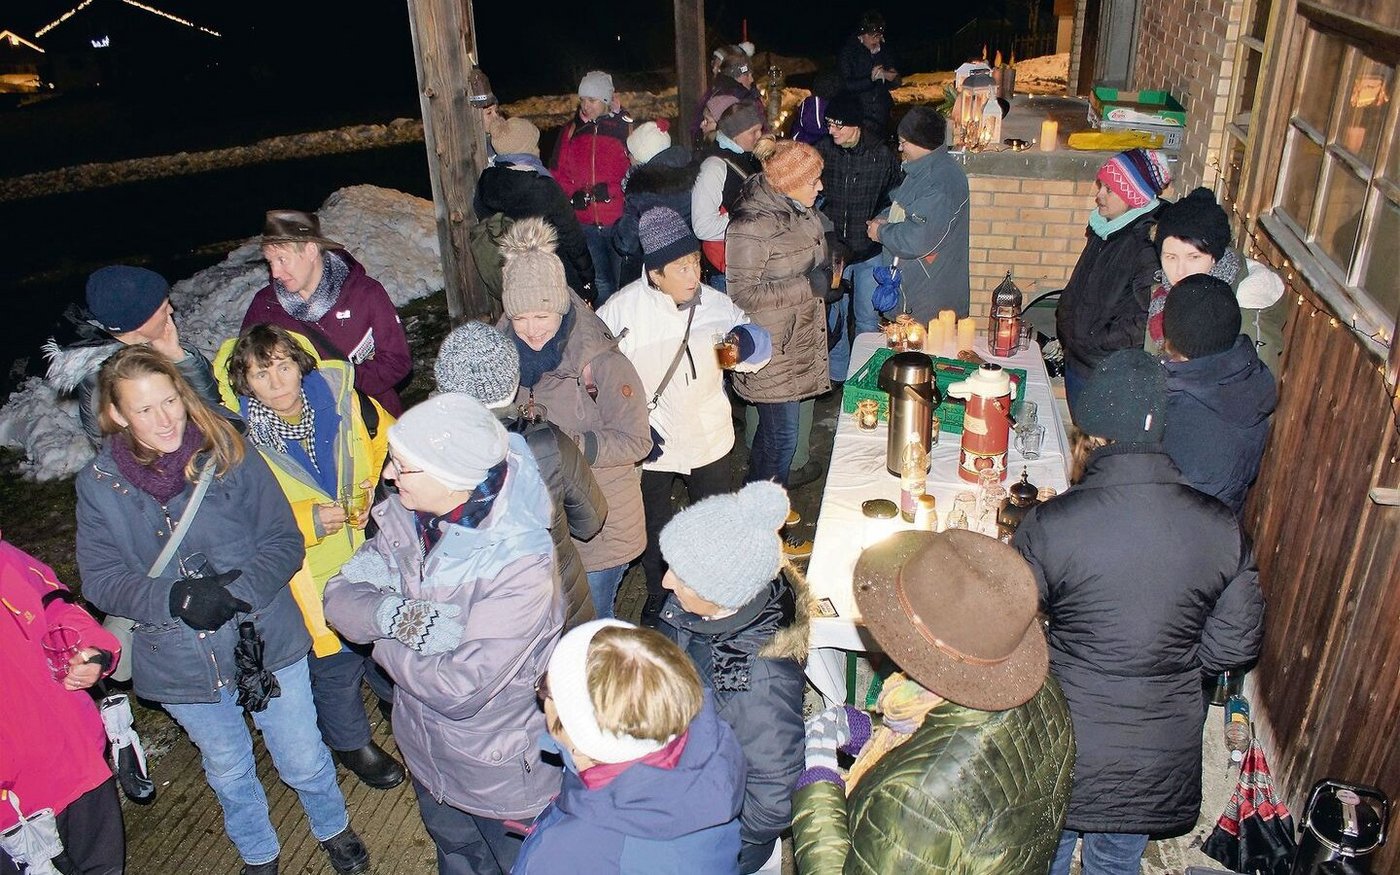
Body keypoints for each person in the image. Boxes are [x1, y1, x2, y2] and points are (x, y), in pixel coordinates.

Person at [74, 345, 369, 875]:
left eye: (170, 401)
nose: (165, 420)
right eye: (145, 409)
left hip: (265, 637)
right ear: (116, 414)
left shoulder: (230, 449)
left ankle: (332, 825)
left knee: (303, 755)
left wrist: (239, 594)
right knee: (229, 768)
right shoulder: (100, 485)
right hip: (180, 656)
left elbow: (283, 540)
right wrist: (175, 598)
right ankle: (258, 852)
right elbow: (101, 579)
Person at [1013, 349, 1266, 875]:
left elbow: (1011, 622)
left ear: (1092, 429)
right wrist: (1173, 661)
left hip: (1065, 739)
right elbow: (1236, 645)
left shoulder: (1051, 523)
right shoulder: (1220, 525)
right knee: (1116, 860)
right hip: (1157, 749)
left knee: (1045, 852)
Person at [323, 392, 564, 875]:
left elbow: (457, 689)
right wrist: (397, 616)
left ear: (453, 476)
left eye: (403, 466)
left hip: (501, 776)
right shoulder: (408, 520)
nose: (388, 474)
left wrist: (380, 636)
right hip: (428, 756)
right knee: (457, 859)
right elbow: (339, 595)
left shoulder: (520, 567)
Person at [790, 529, 1075, 873]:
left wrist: (819, 778)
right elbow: (968, 737)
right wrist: (871, 727)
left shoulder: (914, 798)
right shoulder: (1042, 690)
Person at [213, 325, 406, 791]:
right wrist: (308, 521)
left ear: (300, 365)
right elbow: (236, 522)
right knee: (335, 666)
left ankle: (394, 703)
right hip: (304, 575)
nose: (277, 382)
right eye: (261, 374)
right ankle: (350, 742)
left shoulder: (343, 401)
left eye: (283, 367)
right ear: (244, 382)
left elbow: (387, 439)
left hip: (366, 554)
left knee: (383, 640)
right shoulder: (235, 440)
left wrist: (371, 485)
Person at [597, 207, 772, 621]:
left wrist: (749, 343)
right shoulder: (620, 313)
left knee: (711, 521)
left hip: (709, 439)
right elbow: (595, 383)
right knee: (654, 526)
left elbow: (748, 356)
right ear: (655, 273)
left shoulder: (715, 306)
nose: (694, 275)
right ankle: (661, 596)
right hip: (651, 445)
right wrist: (632, 425)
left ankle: (711, 592)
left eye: (695, 262)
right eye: (682, 268)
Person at [497, 218, 652, 618]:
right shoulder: (498, 360)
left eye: (542, 316)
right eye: (520, 318)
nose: (532, 330)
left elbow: (638, 441)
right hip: (539, 523)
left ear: (561, 306)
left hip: (601, 526)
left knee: (590, 625)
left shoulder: (600, 361)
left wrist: (568, 446)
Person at [655, 482, 808, 873]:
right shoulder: (702, 603)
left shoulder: (757, 683)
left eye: (682, 577)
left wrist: (714, 840)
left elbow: (774, 800)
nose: (666, 582)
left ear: (722, 593)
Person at [512, 620, 748, 874]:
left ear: (578, 736)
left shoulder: (566, 854)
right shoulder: (707, 745)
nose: (541, 693)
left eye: (546, 689)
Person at [433, 320, 604, 631]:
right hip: (553, 604)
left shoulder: (416, 453)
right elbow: (591, 519)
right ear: (513, 383)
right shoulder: (545, 443)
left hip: (465, 618)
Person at [0, 538, 125, 875]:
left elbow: (56, 606)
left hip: (76, 759)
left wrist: (92, 650)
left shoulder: (5, 555)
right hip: (14, 808)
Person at [727, 139, 833, 497]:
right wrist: (808, 286)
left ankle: (752, 504)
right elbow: (743, 293)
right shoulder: (751, 224)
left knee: (774, 438)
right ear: (789, 183)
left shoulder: (797, 208)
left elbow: (805, 254)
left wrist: (829, 262)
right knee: (782, 439)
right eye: (813, 181)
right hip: (771, 348)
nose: (820, 187)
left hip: (796, 339)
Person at [242, 209, 412, 416]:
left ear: (311, 250)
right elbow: (244, 368)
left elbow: (397, 362)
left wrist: (340, 380)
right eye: (270, 262)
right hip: (306, 425)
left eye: (282, 259)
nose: (275, 272)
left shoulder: (366, 294)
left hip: (373, 419)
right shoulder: (265, 307)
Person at [44, 264, 220, 446]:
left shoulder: (160, 345)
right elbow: (119, 449)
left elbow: (213, 407)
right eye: (163, 308)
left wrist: (178, 357)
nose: (171, 311)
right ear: (139, 322)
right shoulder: (108, 379)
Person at [1055, 149, 1172, 411]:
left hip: (1108, 372)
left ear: (1134, 195)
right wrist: (1068, 326)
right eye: (1101, 186)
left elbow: (1147, 320)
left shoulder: (1146, 246)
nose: (1099, 196)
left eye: (1109, 189)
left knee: (1094, 434)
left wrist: (1094, 339)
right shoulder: (1106, 227)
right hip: (1079, 358)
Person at [1161, 275, 1278, 514]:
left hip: (1185, 526)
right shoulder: (1242, 376)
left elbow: (1170, 507)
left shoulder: (1190, 417)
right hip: (1218, 522)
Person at [1147, 186, 1287, 369]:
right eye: (1170, 257)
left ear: (1215, 256)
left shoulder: (1245, 307)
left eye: (1193, 257)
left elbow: (1252, 381)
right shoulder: (1163, 296)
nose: (1179, 271)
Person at [817, 92, 902, 381]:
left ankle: (865, 376)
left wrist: (884, 216)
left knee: (866, 319)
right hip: (834, 252)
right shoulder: (822, 151)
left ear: (855, 125)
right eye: (829, 124)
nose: (832, 131)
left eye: (838, 125)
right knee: (834, 319)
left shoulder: (881, 154)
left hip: (868, 251)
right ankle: (839, 376)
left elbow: (898, 195)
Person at [866, 106, 971, 324]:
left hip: (928, 305)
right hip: (915, 292)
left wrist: (881, 232)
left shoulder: (941, 181)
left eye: (903, 142)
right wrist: (885, 217)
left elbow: (918, 239)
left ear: (921, 143)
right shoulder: (921, 170)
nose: (899, 147)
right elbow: (904, 206)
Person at [477, 117, 596, 300]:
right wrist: (587, 276)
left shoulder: (487, 180)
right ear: (526, 147)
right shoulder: (544, 187)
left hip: (512, 274)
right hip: (550, 275)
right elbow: (572, 237)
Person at [551, 71, 633, 305]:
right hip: (585, 223)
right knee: (600, 284)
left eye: (592, 100)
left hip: (617, 220)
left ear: (606, 100)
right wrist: (572, 196)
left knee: (624, 285)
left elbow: (635, 172)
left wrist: (612, 191)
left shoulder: (623, 128)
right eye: (583, 100)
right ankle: (604, 326)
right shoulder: (571, 131)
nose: (586, 106)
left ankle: (626, 326)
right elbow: (558, 173)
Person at [691, 100, 767, 292]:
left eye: (760, 129)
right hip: (726, 271)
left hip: (750, 263)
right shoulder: (714, 167)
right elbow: (702, 227)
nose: (760, 136)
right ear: (735, 134)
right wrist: (750, 219)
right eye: (753, 132)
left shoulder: (749, 157)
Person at [613, 121, 700, 285]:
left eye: (630, 152)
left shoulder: (642, 190)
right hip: (687, 260)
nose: (628, 156)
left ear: (641, 156)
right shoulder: (688, 171)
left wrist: (616, 227)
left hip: (654, 269)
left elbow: (626, 244)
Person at [836, 11, 901, 136]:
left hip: (883, 114)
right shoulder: (848, 52)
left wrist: (890, 77)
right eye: (872, 35)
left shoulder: (884, 51)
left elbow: (896, 81)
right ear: (862, 34)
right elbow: (845, 85)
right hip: (859, 114)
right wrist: (870, 79)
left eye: (879, 35)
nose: (876, 39)